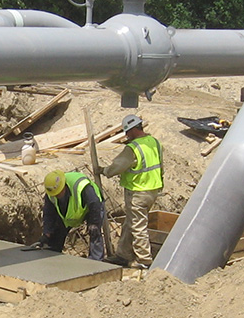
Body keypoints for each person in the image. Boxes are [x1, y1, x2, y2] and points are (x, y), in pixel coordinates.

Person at [98, 114, 163, 268]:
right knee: (130, 223)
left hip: (138, 192)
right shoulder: (154, 142)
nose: (127, 136)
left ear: (133, 129)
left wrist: (104, 171)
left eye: (127, 132)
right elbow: (160, 165)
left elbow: (118, 166)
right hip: (152, 189)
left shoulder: (133, 148)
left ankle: (144, 260)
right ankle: (123, 254)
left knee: (138, 226)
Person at [30, 170, 106, 261]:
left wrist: (94, 223)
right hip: (70, 212)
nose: (56, 196)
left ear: (64, 187)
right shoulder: (51, 193)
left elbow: (94, 203)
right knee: (57, 231)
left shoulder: (82, 186)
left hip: (92, 207)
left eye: (58, 193)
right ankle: (53, 257)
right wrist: (47, 234)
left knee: (94, 232)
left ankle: (96, 262)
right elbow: (49, 214)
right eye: (55, 194)